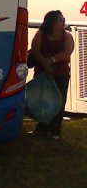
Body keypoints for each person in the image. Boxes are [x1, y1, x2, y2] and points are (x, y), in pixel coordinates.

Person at [30, 10, 74, 139]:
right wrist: (45, 63)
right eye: (59, 19)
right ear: (51, 21)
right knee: (43, 100)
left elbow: (67, 52)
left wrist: (52, 60)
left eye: (62, 19)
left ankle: (55, 130)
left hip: (61, 73)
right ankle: (41, 128)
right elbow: (35, 49)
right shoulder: (41, 34)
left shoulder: (67, 36)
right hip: (42, 71)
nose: (62, 21)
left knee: (59, 101)